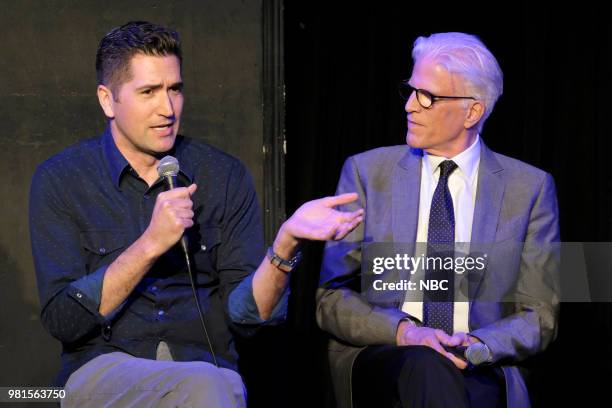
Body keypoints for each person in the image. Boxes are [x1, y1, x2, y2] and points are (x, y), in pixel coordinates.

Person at [29, 21, 363, 407]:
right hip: (103, 371)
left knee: (212, 384)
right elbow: (64, 321)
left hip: (205, 368)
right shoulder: (63, 179)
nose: (167, 109)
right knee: (209, 388)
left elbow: (249, 318)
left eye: (175, 89)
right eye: (148, 92)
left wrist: (285, 246)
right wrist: (151, 243)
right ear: (108, 100)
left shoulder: (222, 175)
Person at [316, 32, 559, 408]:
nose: (410, 106)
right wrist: (405, 333)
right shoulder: (367, 173)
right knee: (427, 368)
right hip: (388, 354)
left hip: (478, 362)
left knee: (454, 384)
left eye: (426, 96)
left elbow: (540, 315)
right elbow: (330, 298)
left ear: (472, 111)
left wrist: (476, 345)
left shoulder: (530, 188)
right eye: (410, 91)